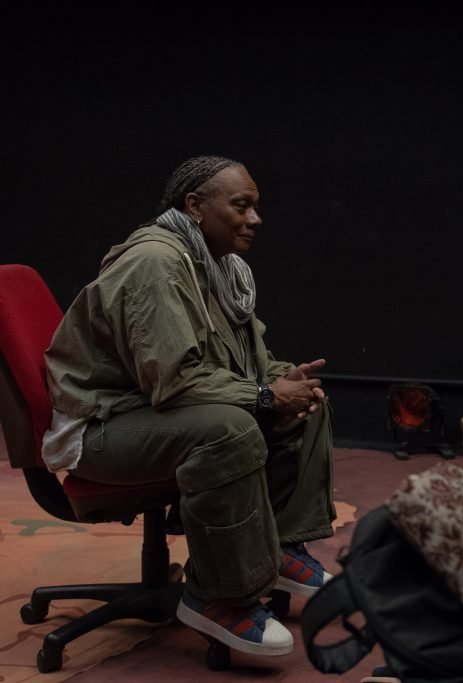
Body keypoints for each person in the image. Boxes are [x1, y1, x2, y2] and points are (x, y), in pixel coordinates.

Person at [42, 156, 337, 657]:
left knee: (305, 410)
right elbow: (174, 382)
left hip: (153, 412)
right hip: (102, 427)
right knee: (229, 428)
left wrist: (282, 382)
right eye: (241, 206)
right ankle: (217, 597)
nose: (255, 219)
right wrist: (265, 394)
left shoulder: (220, 267)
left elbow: (246, 361)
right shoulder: (157, 263)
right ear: (195, 206)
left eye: (256, 207)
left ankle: (279, 550)